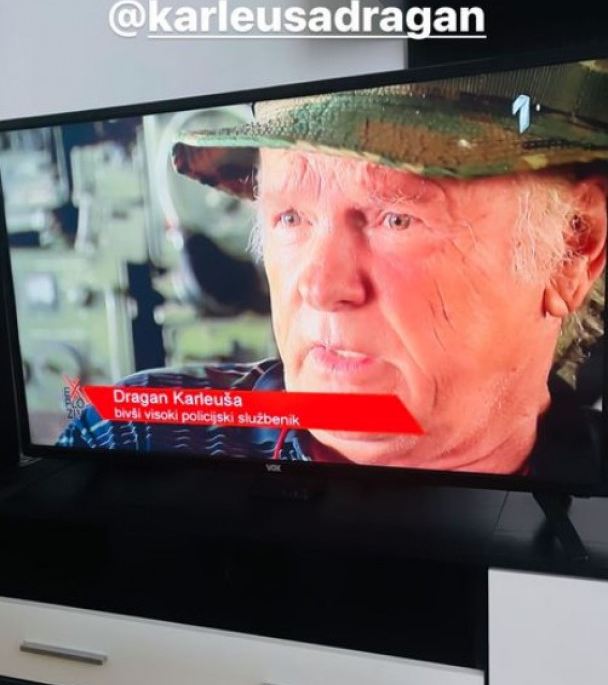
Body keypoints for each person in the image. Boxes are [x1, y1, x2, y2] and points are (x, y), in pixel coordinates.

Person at [57, 64, 608, 481]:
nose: (320, 287)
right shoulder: (132, 441)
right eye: (290, 217)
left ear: (573, 247)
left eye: (397, 218)